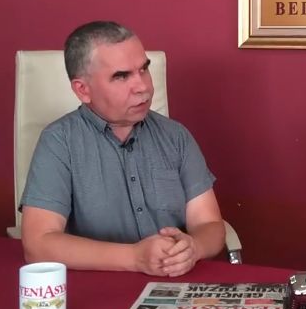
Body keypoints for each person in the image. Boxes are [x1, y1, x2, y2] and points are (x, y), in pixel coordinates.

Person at [20, 21, 225, 277]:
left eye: (144, 69)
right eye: (121, 76)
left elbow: (210, 224)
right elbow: (38, 245)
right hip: (99, 288)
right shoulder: (59, 141)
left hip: (174, 282)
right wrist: (135, 258)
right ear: (83, 90)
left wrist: (194, 247)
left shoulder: (176, 136)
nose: (143, 87)